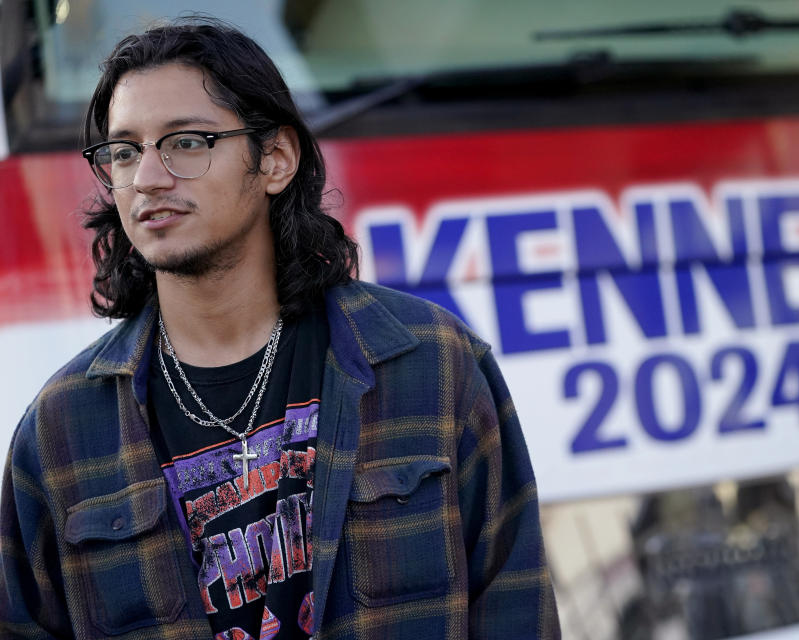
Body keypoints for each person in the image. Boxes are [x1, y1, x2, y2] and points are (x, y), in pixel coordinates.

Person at [0, 18, 559, 639]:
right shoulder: (59, 432)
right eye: (124, 151)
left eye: (186, 142)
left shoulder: (431, 362)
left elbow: (517, 610)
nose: (148, 178)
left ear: (275, 159)